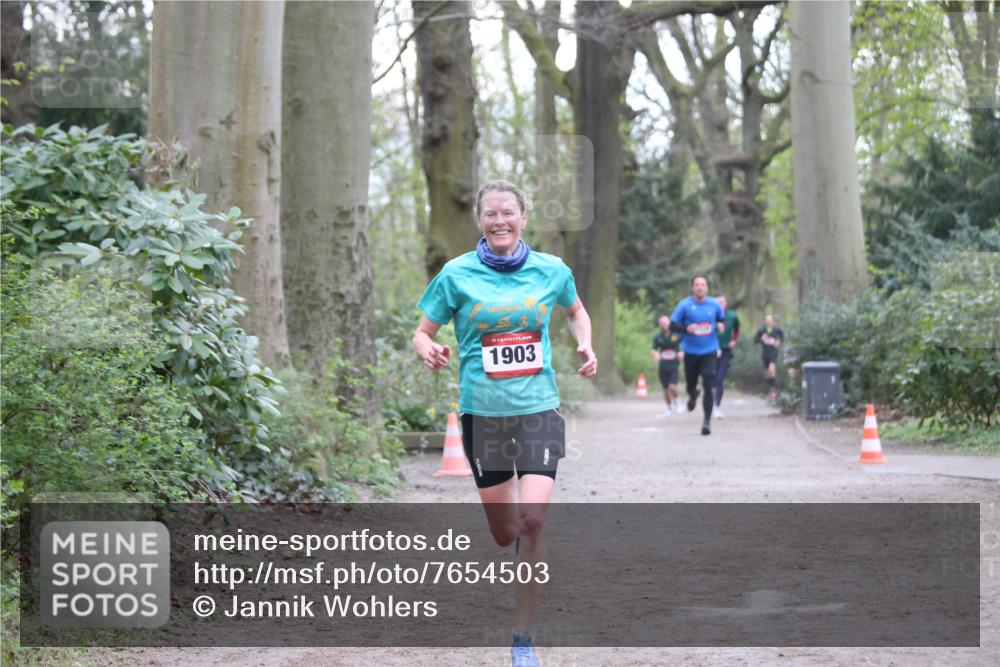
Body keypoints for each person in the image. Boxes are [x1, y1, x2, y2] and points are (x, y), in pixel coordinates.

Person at [412, 179, 597, 667]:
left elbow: (577, 310)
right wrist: (427, 348)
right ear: (480, 220)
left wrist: (585, 342)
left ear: (523, 216)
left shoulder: (550, 270)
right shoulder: (456, 274)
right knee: (505, 532)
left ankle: (523, 637)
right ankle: (524, 549)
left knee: (534, 521)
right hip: (483, 416)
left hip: (538, 408)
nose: (500, 221)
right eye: (491, 214)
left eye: (508, 213)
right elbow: (422, 330)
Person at [669, 276, 725, 435]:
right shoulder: (684, 305)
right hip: (691, 352)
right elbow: (672, 325)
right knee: (691, 385)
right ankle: (693, 395)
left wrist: (721, 326)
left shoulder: (714, 304)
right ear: (693, 287)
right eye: (697, 285)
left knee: (708, 383)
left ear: (707, 287)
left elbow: (721, 320)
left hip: (709, 350)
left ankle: (707, 421)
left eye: (703, 285)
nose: (700, 287)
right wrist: (686, 329)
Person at [713, 294, 741, 418]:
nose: (720, 304)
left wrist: (734, 340)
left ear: (726, 303)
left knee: (720, 378)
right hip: (710, 350)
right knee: (710, 378)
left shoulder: (732, 316)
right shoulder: (709, 315)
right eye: (718, 302)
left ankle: (717, 406)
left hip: (725, 350)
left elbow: (737, 330)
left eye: (722, 302)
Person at [651, 316, 683, 415]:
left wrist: (682, 352)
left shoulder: (676, 335)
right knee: (666, 389)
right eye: (661, 323)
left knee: (672, 386)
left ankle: (677, 402)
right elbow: (653, 349)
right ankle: (669, 408)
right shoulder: (657, 337)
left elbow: (684, 345)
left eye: (665, 322)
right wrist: (655, 354)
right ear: (659, 325)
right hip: (663, 365)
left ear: (669, 323)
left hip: (674, 365)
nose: (663, 324)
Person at [753, 314, 784, 399]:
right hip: (765, 353)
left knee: (772, 369)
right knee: (767, 373)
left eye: (770, 320)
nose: (769, 322)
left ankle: (773, 390)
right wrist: (761, 339)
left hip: (773, 352)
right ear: (765, 321)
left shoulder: (777, 329)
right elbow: (755, 340)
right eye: (767, 320)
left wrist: (779, 342)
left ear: (773, 321)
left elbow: (782, 337)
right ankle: (769, 389)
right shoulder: (761, 330)